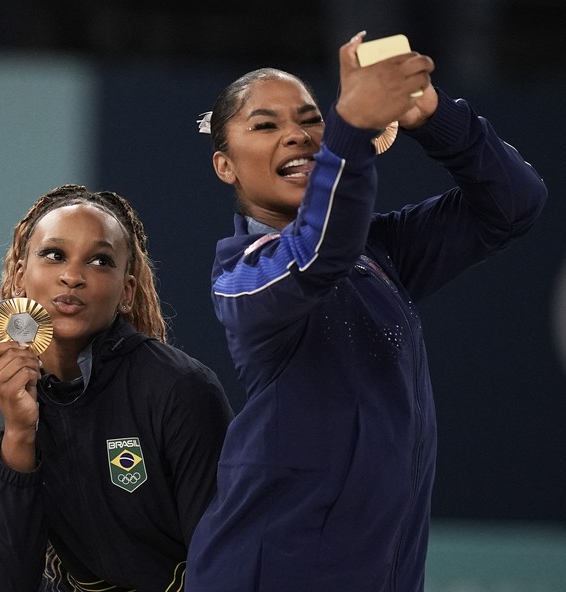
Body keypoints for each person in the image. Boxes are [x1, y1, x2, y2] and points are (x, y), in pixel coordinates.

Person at [185, 32, 547, 592]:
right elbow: (317, 254)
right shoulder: (241, 276)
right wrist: (349, 132)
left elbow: (514, 203)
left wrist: (430, 114)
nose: (297, 136)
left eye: (311, 119)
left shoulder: (379, 253)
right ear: (224, 166)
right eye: (265, 125)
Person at [0, 184, 234, 591]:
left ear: (127, 292)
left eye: (100, 261)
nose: (72, 276)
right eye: (54, 255)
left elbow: (223, 563)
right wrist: (17, 433)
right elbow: (8, 579)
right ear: (19, 276)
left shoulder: (179, 389)